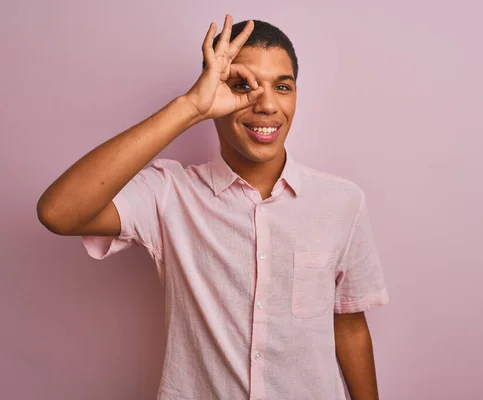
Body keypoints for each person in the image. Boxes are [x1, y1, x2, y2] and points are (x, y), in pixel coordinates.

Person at [37, 15, 388, 400]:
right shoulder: (170, 193)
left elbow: (350, 326)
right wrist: (190, 107)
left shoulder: (342, 202)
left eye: (282, 87)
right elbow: (58, 212)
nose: (267, 104)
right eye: (243, 86)